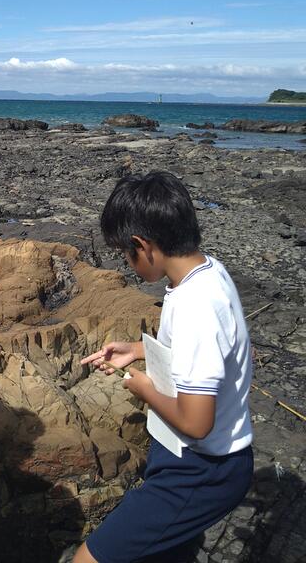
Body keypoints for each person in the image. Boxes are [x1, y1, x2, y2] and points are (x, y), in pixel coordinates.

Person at [74, 171, 253, 563]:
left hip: (204, 468)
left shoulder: (195, 306)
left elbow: (196, 422)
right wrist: (137, 349)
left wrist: (145, 390)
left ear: (143, 245)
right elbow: (207, 350)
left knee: (87, 558)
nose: (128, 263)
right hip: (188, 455)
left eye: (126, 254)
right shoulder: (205, 273)